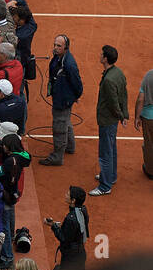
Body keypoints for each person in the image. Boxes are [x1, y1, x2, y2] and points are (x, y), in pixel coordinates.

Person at [92, 44, 128, 198]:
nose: (99, 56)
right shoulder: (119, 73)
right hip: (112, 120)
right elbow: (124, 96)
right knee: (111, 148)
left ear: (105, 59)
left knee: (105, 153)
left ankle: (105, 185)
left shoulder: (108, 80)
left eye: (101, 54)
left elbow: (113, 102)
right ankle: (111, 176)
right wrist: (124, 115)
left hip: (107, 120)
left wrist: (121, 116)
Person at [41, 34, 83, 166]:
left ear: (66, 48)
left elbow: (77, 84)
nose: (55, 48)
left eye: (59, 46)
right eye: (55, 45)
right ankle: (70, 146)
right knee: (66, 120)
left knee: (59, 126)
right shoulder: (59, 57)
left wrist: (75, 96)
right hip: (61, 96)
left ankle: (57, 157)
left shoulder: (69, 65)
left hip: (63, 100)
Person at [138, 65, 153, 180]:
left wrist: (137, 117)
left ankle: (150, 171)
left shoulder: (148, 76)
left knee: (149, 145)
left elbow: (141, 99)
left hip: (148, 117)